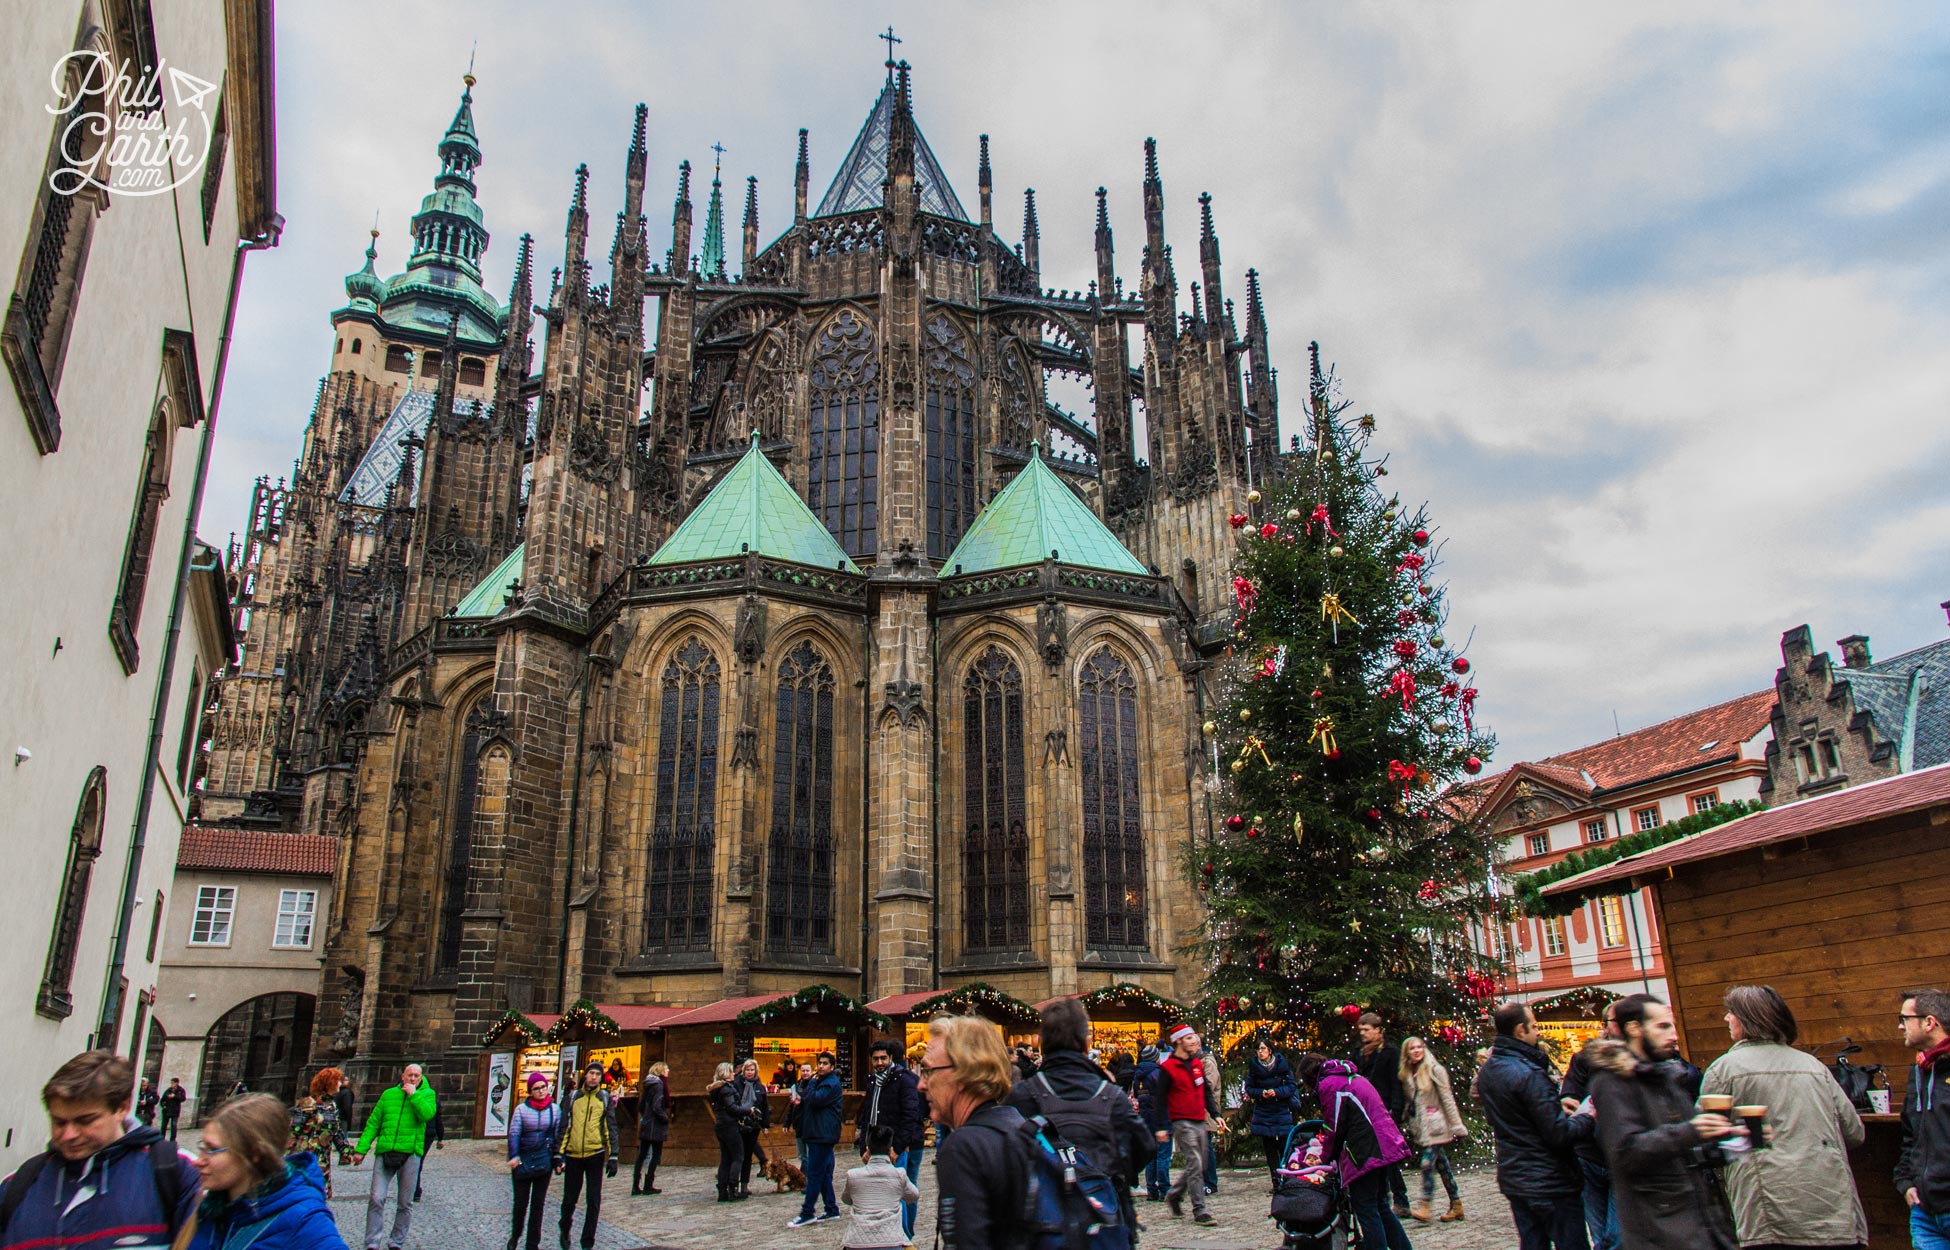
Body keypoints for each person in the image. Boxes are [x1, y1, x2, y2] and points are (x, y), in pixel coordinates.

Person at [1700, 984, 1865, 1249]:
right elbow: (1854, 1132)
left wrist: (1748, 1140)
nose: (1726, 1018)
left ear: (1748, 1018)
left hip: (1768, 1216)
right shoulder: (1815, 1068)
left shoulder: (1723, 1071)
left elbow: (1709, 1139)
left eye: (1731, 1012)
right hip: (1832, 1210)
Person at [0, 1050, 200, 1249]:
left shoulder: (178, 1173)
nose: (69, 1134)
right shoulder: (16, 1186)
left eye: (85, 1121)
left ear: (122, 1108)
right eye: (59, 1122)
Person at [1585, 995, 1738, 1250]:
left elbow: (1690, 1151)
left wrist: (1732, 1139)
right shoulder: (1612, 1082)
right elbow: (1625, 1152)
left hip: (1697, 1227)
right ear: (1634, 1029)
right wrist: (1692, 1130)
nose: (1674, 1035)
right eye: (1663, 1026)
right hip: (1658, 1231)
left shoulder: (1667, 1075)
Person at [1006, 997, 1151, 1239]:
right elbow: (1143, 1147)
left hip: (1042, 1225)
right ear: (1087, 1044)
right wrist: (1111, 1171)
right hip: (1105, 1218)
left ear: (1043, 1045)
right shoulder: (1112, 1095)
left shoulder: (1021, 1096)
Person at [1476, 1002, 1596, 1250]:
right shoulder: (1530, 1073)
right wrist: (1587, 1116)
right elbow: (1559, 1134)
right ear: (1520, 1030)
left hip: (1516, 1177)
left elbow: (1510, 1114)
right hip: (1551, 1181)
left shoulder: (1489, 1070)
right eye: (1534, 1026)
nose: (1538, 1031)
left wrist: (1553, 1107)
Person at [920, 1014, 1030, 1250]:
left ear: (963, 1074)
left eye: (928, 1070)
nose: (921, 1084)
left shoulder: (963, 1148)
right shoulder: (1020, 1126)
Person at [189, 1092, 347, 1250]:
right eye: (203, 1147)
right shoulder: (211, 1208)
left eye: (213, 1149)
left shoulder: (304, 1222)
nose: (198, 1161)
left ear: (254, 1154)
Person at [1294, 1051, 1415, 1250]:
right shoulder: (1351, 1077)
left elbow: (1334, 1126)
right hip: (1384, 1142)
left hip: (1366, 1148)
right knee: (1380, 1205)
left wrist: (1324, 1158)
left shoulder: (1329, 1085)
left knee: (1366, 1208)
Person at [1558, 999, 1624, 1250]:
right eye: (1616, 1021)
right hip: (1588, 1155)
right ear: (1605, 1026)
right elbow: (1569, 1095)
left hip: (1620, 1156)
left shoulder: (1639, 1059)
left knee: (1616, 1237)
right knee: (1599, 1234)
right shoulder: (1585, 1058)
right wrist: (1571, 1102)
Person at [350, 1062, 437, 1250]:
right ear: (402, 1077)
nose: (413, 1078)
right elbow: (374, 1122)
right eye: (410, 1075)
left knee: (405, 1202)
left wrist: (414, 1095)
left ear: (421, 1078)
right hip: (386, 1151)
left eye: (416, 1075)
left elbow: (427, 1115)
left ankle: (396, 1241)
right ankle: (372, 1242)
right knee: (376, 1197)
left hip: (411, 1154)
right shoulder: (388, 1095)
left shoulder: (427, 1095)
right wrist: (361, 1150)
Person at [1146, 1023, 1218, 1226]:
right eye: (1188, 1038)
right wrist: (1161, 1127)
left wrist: (1215, 1114)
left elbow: (1205, 1091)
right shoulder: (1168, 1068)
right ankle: (1200, 1209)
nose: (1193, 1041)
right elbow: (1160, 1099)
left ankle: (1175, 1194)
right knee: (1195, 1164)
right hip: (1181, 1121)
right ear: (1178, 1041)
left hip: (1199, 1119)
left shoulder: (1196, 1064)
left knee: (1200, 1163)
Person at [1896, 987, 1950, 1248]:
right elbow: (1911, 1134)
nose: (1900, 1027)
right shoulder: (1919, 1071)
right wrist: (1906, 1182)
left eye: (1904, 1019)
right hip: (1925, 1211)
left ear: (1929, 1022)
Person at [858, 1039, 927, 1243]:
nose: (879, 1062)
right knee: (894, 1190)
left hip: (904, 1143)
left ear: (891, 1058)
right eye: (875, 1059)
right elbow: (867, 1115)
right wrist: (864, 1146)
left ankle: (905, 1237)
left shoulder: (904, 1080)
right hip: (881, 1143)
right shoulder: (873, 1080)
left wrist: (897, 1147)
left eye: (883, 1058)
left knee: (903, 1191)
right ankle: (898, 1235)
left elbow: (910, 1115)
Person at [1400, 1036, 1466, 1223]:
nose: (1417, 1050)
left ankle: (1425, 1204)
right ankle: (1456, 1204)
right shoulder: (1406, 1075)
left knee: (1427, 1163)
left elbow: (1447, 1099)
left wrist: (1457, 1126)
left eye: (1420, 1047)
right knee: (1442, 1166)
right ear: (1407, 1053)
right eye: (1412, 1048)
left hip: (1437, 1126)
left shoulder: (1435, 1070)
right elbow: (1410, 1102)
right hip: (1422, 1127)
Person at [1355, 1012, 1413, 1218]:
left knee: (1389, 1160)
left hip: (1385, 1111)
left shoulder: (1389, 1053)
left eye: (1367, 1030)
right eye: (1360, 1030)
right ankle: (1383, 1198)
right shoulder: (1358, 1052)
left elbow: (1395, 1083)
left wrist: (1395, 1111)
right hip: (1364, 1112)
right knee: (1375, 1159)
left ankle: (1400, 1200)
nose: (1363, 1034)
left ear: (1378, 1030)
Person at [558, 1060, 617, 1248]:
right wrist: (559, 1154)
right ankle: (565, 1227)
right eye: (591, 1073)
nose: (594, 1077)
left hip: (595, 1153)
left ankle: (587, 1241)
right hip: (574, 1155)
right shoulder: (574, 1097)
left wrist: (613, 1154)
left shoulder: (604, 1098)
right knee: (569, 1199)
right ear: (586, 1075)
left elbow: (610, 1127)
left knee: (593, 1200)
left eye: (598, 1075)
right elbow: (565, 1126)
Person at [788, 1052, 845, 1228]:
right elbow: (810, 1100)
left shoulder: (829, 1084)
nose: (821, 1066)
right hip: (818, 1132)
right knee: (824, 1173)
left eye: (825, 1063)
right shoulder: (823, 1082)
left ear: (832, 1066)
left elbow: (815, 1099)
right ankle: (831, 1208)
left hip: (822, 1133)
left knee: (814, 1173)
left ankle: (808, 1212)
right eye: (819, 1063)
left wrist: (810, 1084)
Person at [506, 1073, 561, 1250]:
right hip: (523, 1159)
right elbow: (514, 1133)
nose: (540, 1091)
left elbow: (558, 1135)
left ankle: (532, 1244)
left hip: (543, 1161)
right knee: (521, 1204)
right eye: (536, 1088)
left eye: (543, 1087)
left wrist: (559, 1158)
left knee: (538, 1205)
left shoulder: (554, 1109)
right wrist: (514, 1155)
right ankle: (515, 1235)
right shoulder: (521, 1110)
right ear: (530, 1091)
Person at [842, 1125, 920, 1250]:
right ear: (890, 1150)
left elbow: (846, 1199)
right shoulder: (899, 1174)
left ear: (868, 1150)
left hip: (857, 1241)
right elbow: (914, 1196)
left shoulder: (853, 1175)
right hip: (891, 1241)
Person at [1246, 1037, 1299, 1186]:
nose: (1260, 1052)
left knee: (1284, 1146)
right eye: (1258, 1049)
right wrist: (1261, 1093)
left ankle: (1287, 1179)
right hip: (1264, 1111)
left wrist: (1277, 1092)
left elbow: (1291, 1086)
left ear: (1270, 1050)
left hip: (1281, 1109)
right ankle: (1275, 1180)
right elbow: (1249, 1088)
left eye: (1263, 1048)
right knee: (1269, 1148)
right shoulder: (1254, 1068)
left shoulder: (1282, 1066)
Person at [289, 1071, 347, 1198]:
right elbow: (294, 1130)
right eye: (337, 1080)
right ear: (329, 1083)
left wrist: (346, 1151)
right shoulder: (308, 1103)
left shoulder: (332, 1106)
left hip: (323, 1159)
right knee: (303, 1193)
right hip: (305, 1156)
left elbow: (336, 1131)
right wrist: (286, 1156)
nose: (340, 1083)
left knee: (319, 1195)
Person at [1133, 1043, 1173, 1200]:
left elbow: (1137, 1094)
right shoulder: (1158, 1074)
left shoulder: (1138, 1075)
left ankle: (1151, 1189)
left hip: (1145, 1117)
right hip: (1161, 1117)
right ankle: (1165, 1188)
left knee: (1151, 1155)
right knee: (1163, 1154)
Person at [733, 1059, 771, 1200]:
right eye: (748, 1070)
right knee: (739, 1155)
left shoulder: (760, 1087)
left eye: (752, 1070)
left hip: (754, 1125)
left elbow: (765, 1107)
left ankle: (744, 1184)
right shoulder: (736, 1084)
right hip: (739, 1123)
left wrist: (766, 1125)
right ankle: (734, 1184)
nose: (750, 1073)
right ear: (743, 1071)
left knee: (748, 1155)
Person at [707, 1062, 744, 1202]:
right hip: (729, 1125)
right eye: (731, 1072)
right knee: (737, 1156)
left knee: (725, 1158)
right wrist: (748, 1110)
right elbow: (732, 1108)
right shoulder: (726, 1089)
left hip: (720, 1125)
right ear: (725, 1074)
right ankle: (732, 1187)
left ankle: (722, 1190)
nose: (734, 1074)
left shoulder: (715, 1089)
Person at [633, 1062, 669, 1196]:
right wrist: (664, 1118)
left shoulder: (647, 1083)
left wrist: (645, 1116)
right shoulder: (659, 1085)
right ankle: (648, 1185)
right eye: (666, 1069)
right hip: (656, 1124)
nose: (668, 1071)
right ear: (660, 1071)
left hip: (646, 1123)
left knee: (642, 1155)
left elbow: (641, 1105)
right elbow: (657, 1106)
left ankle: (635, 1185)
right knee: (655, 1155)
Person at [1198, 1038, 1223, 1195]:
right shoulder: (1198, 1062)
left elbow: (1209, 1084)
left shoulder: (1208, 1062)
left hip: (1206, 1111)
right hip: (1201, 1110)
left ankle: (1210, 1182)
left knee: (1205, 1147)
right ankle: (1204, 1180)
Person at [412, 1101, 444, 1202]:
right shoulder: (434, 1100)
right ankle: (415, 1191)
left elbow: (438, 1120)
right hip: (429, 1133)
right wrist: (440, 1138)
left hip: (422, 1133)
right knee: (418, 1161)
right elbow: (438, 1121)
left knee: (415, 1161)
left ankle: (415, 1191)